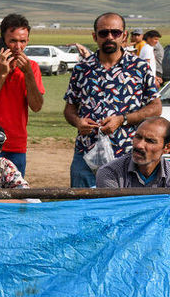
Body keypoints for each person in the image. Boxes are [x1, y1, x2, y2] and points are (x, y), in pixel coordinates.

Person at [64, 13, 161, 187]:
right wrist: (78, 122)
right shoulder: (81, 69)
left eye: (115, 33)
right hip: (86, 152)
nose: (109, 37)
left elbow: (155, 107)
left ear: (124, 36)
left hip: (128, 154)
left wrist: (123, 119)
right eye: (103, 33)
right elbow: (69, 109)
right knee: (82, 206)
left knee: (123, 207)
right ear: (95, 37)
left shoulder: (139, 68)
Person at [0, 13, 44, 176]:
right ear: (2, 40)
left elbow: (36, 106)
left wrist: (28, 75)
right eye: (13, 41)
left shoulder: (31, 67)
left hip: (15, 145)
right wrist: (2, 75)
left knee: (13, 195)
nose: (18, 47)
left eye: (22, 41)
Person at [96, 117, 170, 188]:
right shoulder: (110, 173)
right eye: (138, 137)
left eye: (150, 141)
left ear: (167, 148)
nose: (139, 145)